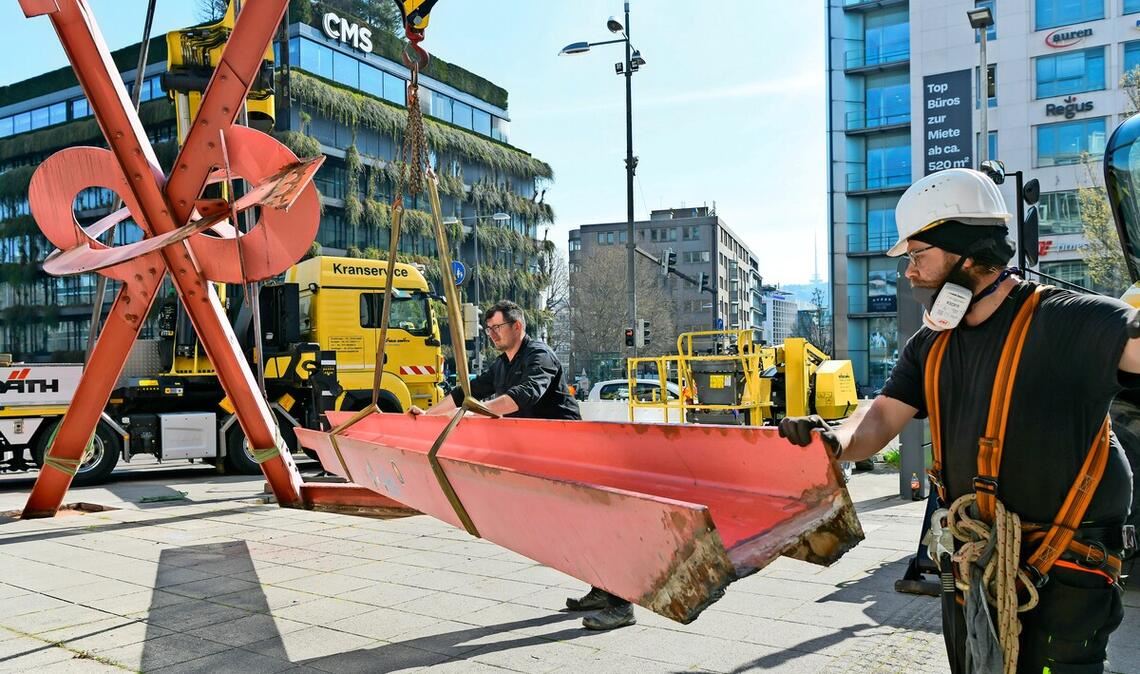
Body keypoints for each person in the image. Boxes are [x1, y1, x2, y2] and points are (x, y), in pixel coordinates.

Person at [779, 168, 1137, 673]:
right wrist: (834, 439)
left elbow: (1133, 347)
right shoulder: (932, 345)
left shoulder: (1067, 320)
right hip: (973, 569)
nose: (909, 272)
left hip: (1064, 574)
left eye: (918, 256)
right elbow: (882, 416)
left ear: (967, 254)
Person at [410, 299, 636, 631]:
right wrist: (427, 417)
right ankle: (603, 589)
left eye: (497, 327)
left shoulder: (539, 356)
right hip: (540, 454)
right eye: (488, 329)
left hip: (570, 452)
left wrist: (475, 413)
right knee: (567, 527)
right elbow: (465, 392)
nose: (492, 334)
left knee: (589, 523)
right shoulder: (501, 365)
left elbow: (526, 394)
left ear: (518, 326)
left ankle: (622, 604)